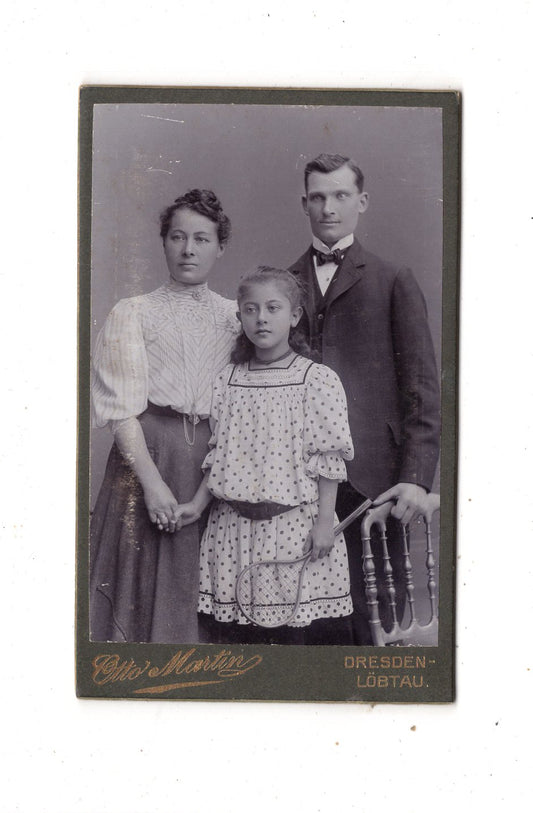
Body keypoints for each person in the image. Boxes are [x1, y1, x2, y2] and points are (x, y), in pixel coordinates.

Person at [288, 153, 441, 645]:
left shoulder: (393, 278)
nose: (328, 207)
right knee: (307, 626)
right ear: (304, 203)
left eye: (341, 196)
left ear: (362, 202)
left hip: (374, 480)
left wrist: (415, 479)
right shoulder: (282, 285)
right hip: (298, 484)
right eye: (318, 197)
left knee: (378, 631)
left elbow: (422, 391)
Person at [90, 189, 240, 643]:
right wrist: (153, 489)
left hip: (211, 468)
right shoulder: (133, 312)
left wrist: (204, 492)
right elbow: (122, 413)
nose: (188, 250)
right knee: (136, 590)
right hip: (147, 458)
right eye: (177, 237)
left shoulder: (237, 318)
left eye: (201, 238)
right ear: (164, 242)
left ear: (220, 247)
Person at [175, 267, 355, 645]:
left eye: (273, 308)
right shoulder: (227, 380)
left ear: (294, 316)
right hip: (232, 532)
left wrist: (325, 523)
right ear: (240, 316)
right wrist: (195, 504)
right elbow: (219, 456)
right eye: (251, 309)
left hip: (292, 531)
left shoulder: (316, 380)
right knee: (237, 642)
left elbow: (328, 463)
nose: (261, 318)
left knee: (291, 642)